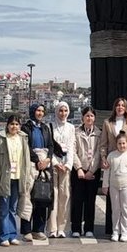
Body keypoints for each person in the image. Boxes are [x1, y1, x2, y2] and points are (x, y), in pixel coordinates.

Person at [99, 96, 127, 237]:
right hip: (112, 161)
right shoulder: (107, 123)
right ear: (115, 107)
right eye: (118, 105)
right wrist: (103, 158)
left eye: (123, 105)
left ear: (126, 108)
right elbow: (103, 143)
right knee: (114, 205)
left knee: (126, 205)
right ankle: (114, 230)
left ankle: (125, 231)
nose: (120, 107)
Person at [0, 114, 31, 247]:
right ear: (7, 125)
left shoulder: (23, 138)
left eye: (17, 124)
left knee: (13, 209)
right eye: (12, 124)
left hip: (18, 177)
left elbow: (26, 160)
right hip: (5, 177)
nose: (14, 126)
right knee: (3, 209)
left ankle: (12, 235)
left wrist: (27, 178)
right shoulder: (1, 139)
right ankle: (3, 237)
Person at [21, 102, 53, 240]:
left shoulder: (45, 128)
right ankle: (26, 230)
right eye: (38, 110)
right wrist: (36, 161)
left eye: (42, 111)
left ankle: (38, 229)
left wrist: (47, 160)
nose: (40, 113)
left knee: (42, 195)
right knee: (27, 197)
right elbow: (25, 146)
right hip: (31, 164)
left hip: (44, 165)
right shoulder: (26, 127)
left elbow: (51, 145)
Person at [71, 106, 102, 237]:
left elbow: (98, 153)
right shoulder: (76, 132)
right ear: (83, 118)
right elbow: (72, 151)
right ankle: (76, 228)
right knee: (77, 200)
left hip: (92, 171)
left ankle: (89, 227)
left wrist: (92, 170)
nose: (89, 118)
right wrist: (78, 168)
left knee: (90, 200)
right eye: (87, 116)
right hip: (78, 171)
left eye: (91, 116)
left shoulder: (99, 133)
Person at [102, 131, 127, 242]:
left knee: (125, 209)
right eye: (119, 143)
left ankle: (124, 232)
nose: (122, 146)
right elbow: (107, 172)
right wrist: (105, 185)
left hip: (126, 186)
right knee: (116, 209)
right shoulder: (111, 156)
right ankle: (115, 231)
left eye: (124, 143)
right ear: (116, 144)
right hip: (114, 186)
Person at [47, 101, 75, 238]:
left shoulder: (71, 127)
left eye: (65, 111)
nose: (63, 113)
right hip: (54, 165)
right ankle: (52, 228)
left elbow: (71, 147)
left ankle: (62, 227)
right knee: (54, 195)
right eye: (60, 111)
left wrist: (68, 165)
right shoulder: (50, 126)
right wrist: (54, 162)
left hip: (65, 166)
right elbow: (49, 146)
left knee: (65, 196)